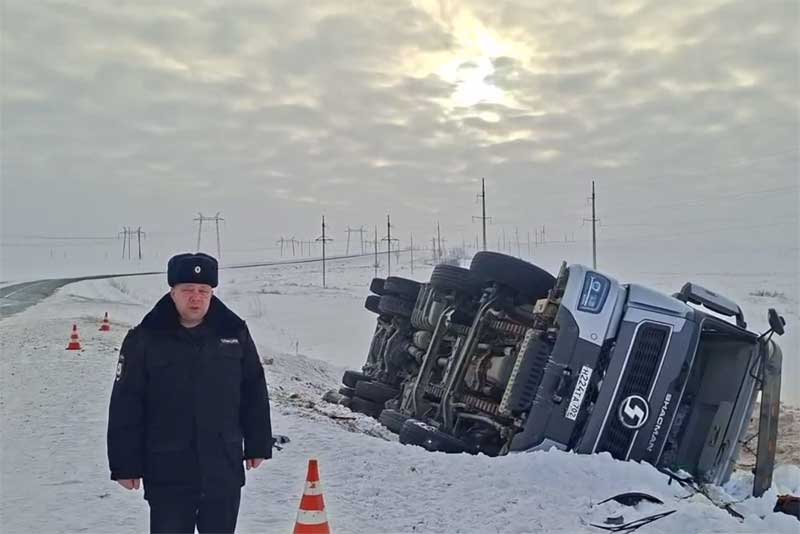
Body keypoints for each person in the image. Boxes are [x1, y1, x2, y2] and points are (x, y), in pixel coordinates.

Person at [107, 252, 272, 533]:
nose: (196, 297)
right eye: (187, 290)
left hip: (222, 468)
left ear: (211, 293)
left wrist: (258, 444)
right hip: (168, 468)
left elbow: (253, 389)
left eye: (203, 291)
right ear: (172, 293)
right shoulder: (145, 338)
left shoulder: (234, 333)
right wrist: (125, 464)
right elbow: (127, 402)